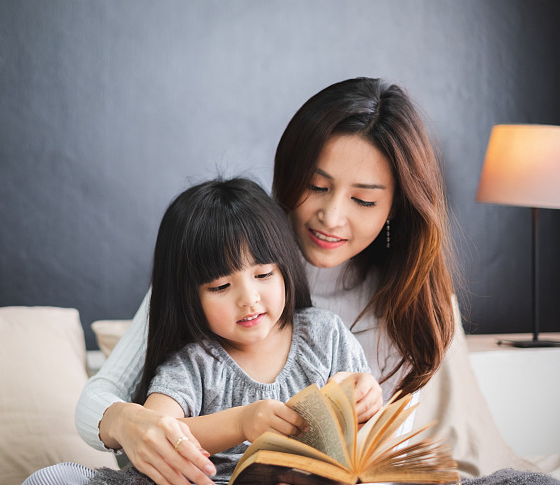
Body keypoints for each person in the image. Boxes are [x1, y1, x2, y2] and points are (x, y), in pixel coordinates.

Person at [72, 77, 457, 485]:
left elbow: (378, 462)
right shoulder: (219, 251)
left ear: (397, 204)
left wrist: (363, 406)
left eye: (363, 199)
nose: (331, 216)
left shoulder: (390, 311)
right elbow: (100, 399)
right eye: (316, 186)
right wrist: (131, 422)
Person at [24, 177, 381, 485]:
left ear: (285, 269)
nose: (248, 299)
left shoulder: (325, 334)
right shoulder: (195, 362)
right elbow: (158, 427)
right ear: (189, 298)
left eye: (262, 275)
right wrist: (241, 423)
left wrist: (367, 397)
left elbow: (363, 430)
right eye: (221, 287)